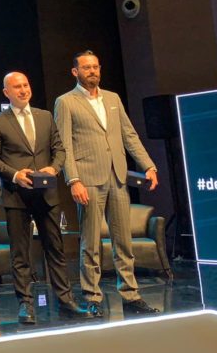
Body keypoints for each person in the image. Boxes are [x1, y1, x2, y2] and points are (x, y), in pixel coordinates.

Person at [54, 50, 160, 317]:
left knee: (123, 241)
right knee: (90, 243)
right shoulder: (65, 102)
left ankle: (130, 295)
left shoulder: (112, 98)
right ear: (75, 72)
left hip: (118, 177)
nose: (92, 71)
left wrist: (148, 165)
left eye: (95, 67)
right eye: (86, 67)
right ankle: (92, 296)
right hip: (88, 178)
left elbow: (129, 135)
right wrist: (73, 180)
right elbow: (64, 145)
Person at [0, 71, 90, 324]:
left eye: (25, 85)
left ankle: (66, 300)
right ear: (6, 92)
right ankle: (26, 304)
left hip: (47, 193)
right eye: (17, 87)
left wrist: (53, 168)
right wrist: (15, 175)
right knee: (20, 254)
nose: (23, 90)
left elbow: (59, 149)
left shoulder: (45, 116)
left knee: (55, 249)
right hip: (16, 196)